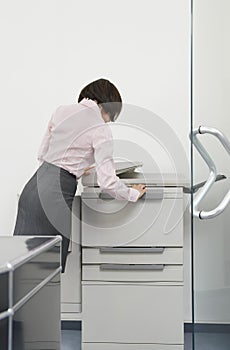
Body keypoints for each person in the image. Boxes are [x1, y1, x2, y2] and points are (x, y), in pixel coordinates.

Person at [13, 78, 147, 272]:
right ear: (108, 106)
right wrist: (133, 193)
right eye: (112, 115)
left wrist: (73, 167)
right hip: (55, 195)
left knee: (21, 265)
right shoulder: (101, 130)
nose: (109, 120)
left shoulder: (61, 111)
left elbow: (43, 155)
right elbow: (107, 182)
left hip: (33, 188)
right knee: (46, 270)